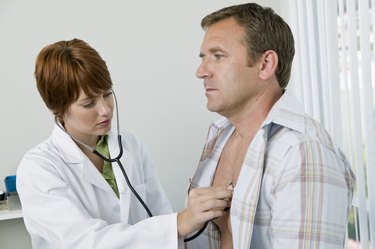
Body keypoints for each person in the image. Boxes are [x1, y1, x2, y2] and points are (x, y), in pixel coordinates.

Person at [16, 38, 233, 249]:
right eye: (88, 103)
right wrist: (179, 223)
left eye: (107, 94)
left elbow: (159, 214)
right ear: (58, 108)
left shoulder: (129, 145)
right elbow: (84, 242)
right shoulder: (39, 169)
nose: (105, 109)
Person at [185, 3, 356, 249]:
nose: (201, 71)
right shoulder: (220, 137)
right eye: (203, 58)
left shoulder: (303, 153)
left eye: (218, 56)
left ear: (265, 64)